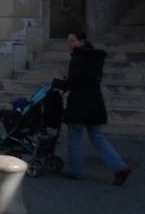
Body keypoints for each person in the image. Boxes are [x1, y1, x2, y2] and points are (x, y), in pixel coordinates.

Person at [52, 30, 130, 185]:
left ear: (81, 41)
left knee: (75, 137)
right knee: (97, 137)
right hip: (94, 102)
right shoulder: (95, 58)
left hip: (80, 103)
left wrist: (56, 83)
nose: (70, 44)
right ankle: (119, 168)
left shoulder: (78, 59)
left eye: (72, 41)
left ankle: (76, 171)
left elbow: (73, 83)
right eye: (69, 41)